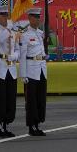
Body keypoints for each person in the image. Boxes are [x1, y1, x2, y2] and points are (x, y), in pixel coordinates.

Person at [0, 5, 19, 138]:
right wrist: (8, 29)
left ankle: (6, 124)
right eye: (3, 16)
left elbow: (17, 49)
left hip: (11, 68)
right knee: (0, 99)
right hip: (0, 67)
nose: (5, 18)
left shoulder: (13, 32)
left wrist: (15, 56)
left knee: (10, 99)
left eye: (6, 15)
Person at [19, 7, 48, 136]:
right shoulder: (25, 35)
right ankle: (31, 126)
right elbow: (23, 55)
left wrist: (45, 56)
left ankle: (37, 124)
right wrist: (23, 74)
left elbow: (41, 51)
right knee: (31, 101)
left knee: (40, 99)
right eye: (35, 17)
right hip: (31, 71)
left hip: (41, 69)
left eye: (38, 17)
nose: (37, 19)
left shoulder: (40, 34)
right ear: (30, 18)